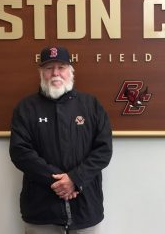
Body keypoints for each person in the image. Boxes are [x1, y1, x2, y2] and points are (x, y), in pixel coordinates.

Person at [9, 46, 113, 234]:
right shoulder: (26, 108)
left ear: (71, 71)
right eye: (49, 68)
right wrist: (58, 182)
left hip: (85, 207)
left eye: (61, 67)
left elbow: (103, 150)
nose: (56, 73)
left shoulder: (91, 106)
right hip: (41, 210)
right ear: (41, 73)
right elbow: (20, 152)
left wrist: (75, 179)